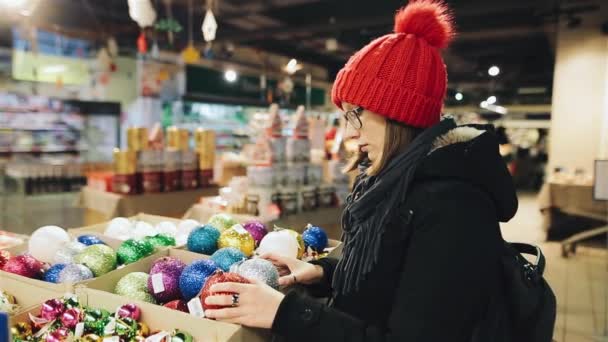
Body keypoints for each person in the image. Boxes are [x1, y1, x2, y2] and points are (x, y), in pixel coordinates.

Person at [204, 0, 518, 341]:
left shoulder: (454, 205)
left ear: (398, 112)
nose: (350, 133)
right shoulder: (392, 182)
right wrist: (323, 273)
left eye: (358, 114)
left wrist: (287, 313)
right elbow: (389, 280)